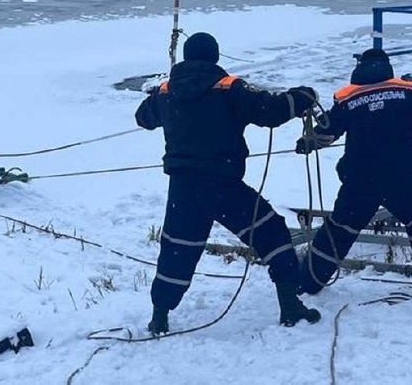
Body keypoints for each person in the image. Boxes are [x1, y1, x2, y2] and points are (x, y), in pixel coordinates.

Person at [134, 32, 322, 334]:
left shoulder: (168, 92)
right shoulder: (228, 88)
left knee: (177, 250)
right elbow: (270, 111)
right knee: (271, 233)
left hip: (183, 188)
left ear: (185, 57)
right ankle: (290, 305)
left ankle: (159, 317)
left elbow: (142, 117)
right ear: (215, 56)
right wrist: (301, 98)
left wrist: (163, 99)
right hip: (223, 185)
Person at [293, 48, 412, 299]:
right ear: (388, 68)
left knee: (340, 229)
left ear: (360, 68)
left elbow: (326, 132)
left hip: (361, 179)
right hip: (402, 176)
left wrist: (307, 143)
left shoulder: (348, 98)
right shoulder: (407, 93)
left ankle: (309, 280)